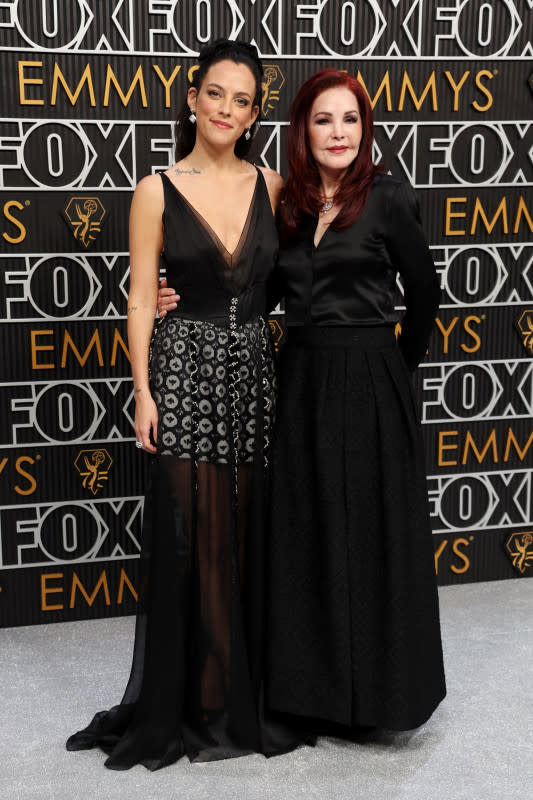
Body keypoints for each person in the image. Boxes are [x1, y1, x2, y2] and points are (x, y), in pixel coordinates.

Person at [159, 68, 446, 735]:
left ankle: (380, 700)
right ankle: (310, 694)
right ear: (301, 130)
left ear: (364, 128)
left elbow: (425, 297)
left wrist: (392, 372)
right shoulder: (285, 203)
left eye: (349, 120)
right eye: (323, 120)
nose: (338, 132)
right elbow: (255, 294)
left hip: (372, 375)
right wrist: (184, 298)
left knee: (374, 539)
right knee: (307, 535)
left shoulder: (389, 197)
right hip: (300, 377)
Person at [66, 39, 306, 771]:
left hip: (252, 377)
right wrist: (141, 390)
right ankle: (199, 701)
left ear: (255, 111)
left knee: (245, 532)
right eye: (216, 94)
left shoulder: (274, 186)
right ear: (192, 97)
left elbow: (298, 280)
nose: (227, 109)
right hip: (181, 371)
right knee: (192, 535)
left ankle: (238, 692)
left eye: (243, 99)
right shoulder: (155, 188)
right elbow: (142, 296)